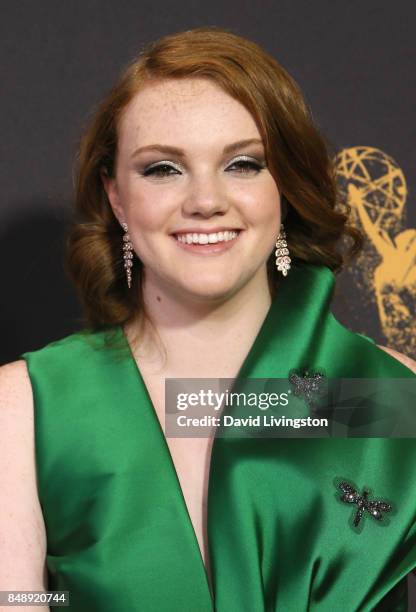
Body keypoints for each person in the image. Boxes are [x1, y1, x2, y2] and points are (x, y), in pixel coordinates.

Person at [1, 26, 415, 612]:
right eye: (163, 169)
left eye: (243, 164)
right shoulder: (27, 409)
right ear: (116, 197)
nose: (205, 199)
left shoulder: (390, 395)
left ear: (286, 189)